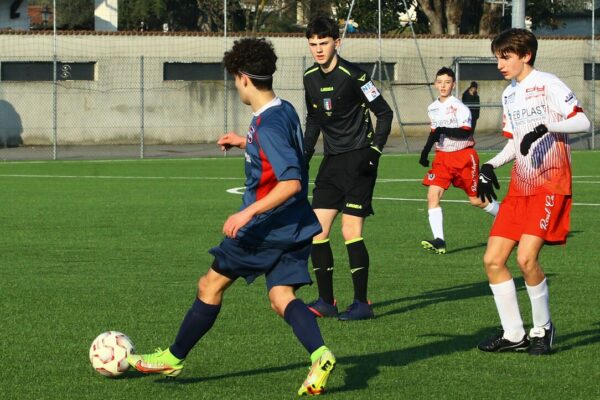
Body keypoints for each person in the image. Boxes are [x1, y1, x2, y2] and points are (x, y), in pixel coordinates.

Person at [127, 38, 336, 395]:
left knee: (210, 285)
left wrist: (248, 213)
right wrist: (245, 142)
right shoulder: (282, 109)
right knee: (281, 296)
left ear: (242, 78)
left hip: (264, 227)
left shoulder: (268, 126)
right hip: (296, 225)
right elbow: (286, 151)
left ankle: (174, 358)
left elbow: (291, 182)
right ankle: (320, 355)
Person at [476, 28, 590, 355]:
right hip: (520, 187)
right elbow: (516, 142)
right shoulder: (509, 94)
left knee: (527, 259)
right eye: (497, 57)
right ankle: (514, 334)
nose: (500, 63)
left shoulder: (548, 83)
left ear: (525, 55)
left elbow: (582, 122)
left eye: (505, 56)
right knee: (493, 260)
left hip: (550, 184)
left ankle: (543, 328)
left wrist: (546, 126)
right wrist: (489, 165)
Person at [302, 15, 394, 321]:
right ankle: (326, 301)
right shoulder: (309, 77)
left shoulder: (356, 76)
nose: (318, 49)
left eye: (323, 43)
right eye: (313, 44)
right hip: (331, 162)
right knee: (317, 231)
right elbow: (314, 118)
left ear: (336, 42)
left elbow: (384, 112)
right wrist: (304, 154)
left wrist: (375, 152)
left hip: (359, 160)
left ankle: (361, 304)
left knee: (350, 230)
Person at [419, 67, 499, 254]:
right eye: (440, 82)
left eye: (447, 82)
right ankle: (440, 240)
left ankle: (506, 217)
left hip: (463, 157)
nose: (443, 86)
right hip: (442, 158)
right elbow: (434, 132)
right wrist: (424, 152)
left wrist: (444, 130)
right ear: (435, 84)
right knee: (433, 196)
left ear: (453, 85)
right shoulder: (432, 107)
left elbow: (466, 131)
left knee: (476, 200)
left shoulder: (460, 107)